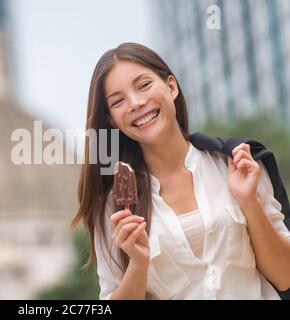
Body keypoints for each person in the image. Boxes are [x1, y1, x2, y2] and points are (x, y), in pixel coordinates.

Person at [70, 42, 290, 300]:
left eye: (144, 86)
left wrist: (249, 202)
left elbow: (284, 275)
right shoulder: (113, 209)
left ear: (171, 87)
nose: (135, 103)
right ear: (112, 120)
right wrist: (138, 264)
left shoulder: (239, 165)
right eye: (118, 101)